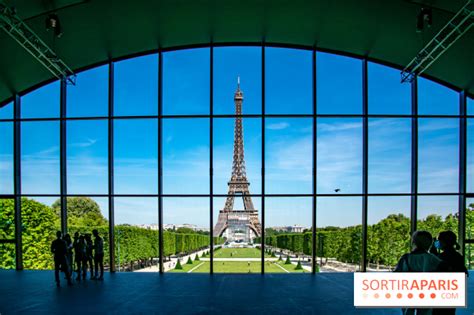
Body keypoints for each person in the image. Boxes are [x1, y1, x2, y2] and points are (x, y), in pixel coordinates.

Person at [394, 230, 445, 315]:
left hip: (408, 292)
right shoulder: (432, 258)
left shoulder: (406, 258)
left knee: (407, 312)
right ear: (429, 244)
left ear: (414, 242)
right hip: (427, 293)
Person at [432, 231, 468, 315]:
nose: (437, 243)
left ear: (444, 242)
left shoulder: (441, 257)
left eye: (439, 240)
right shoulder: (458, 256)